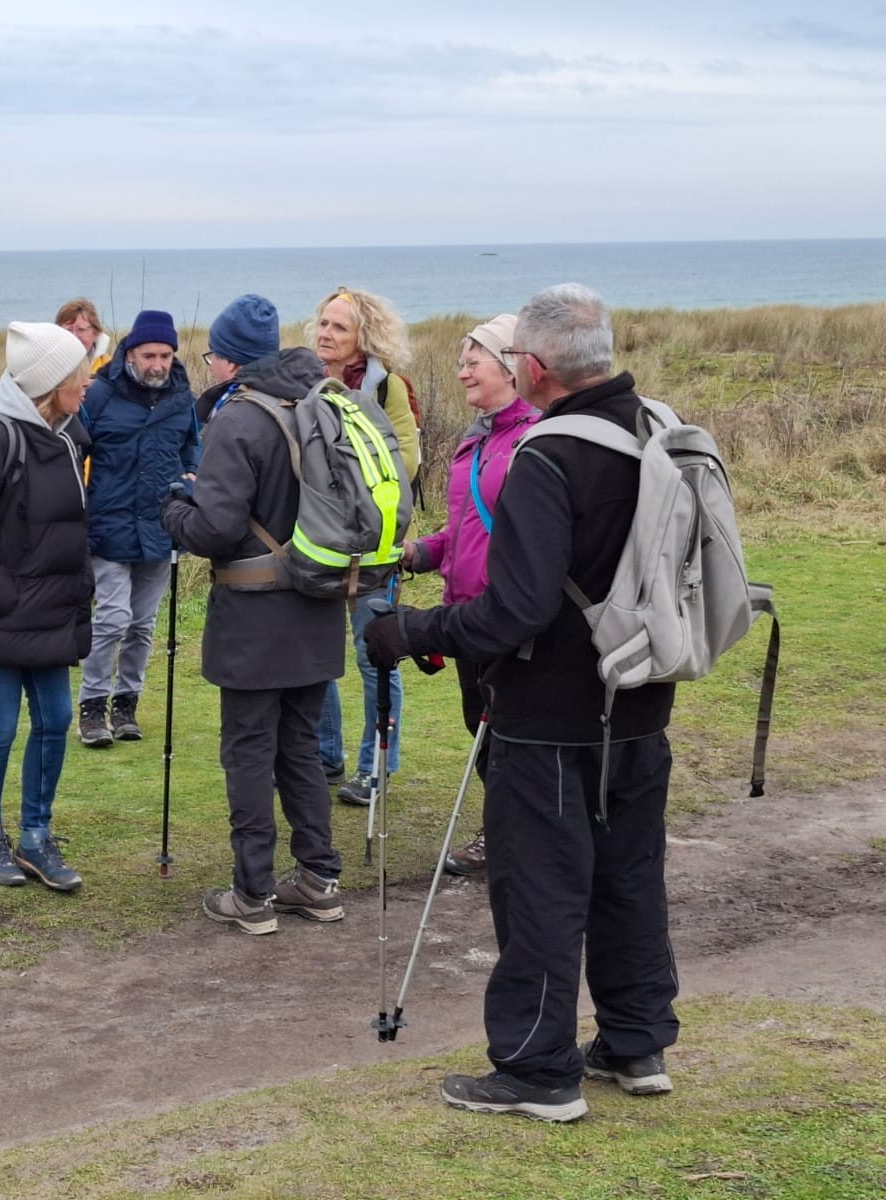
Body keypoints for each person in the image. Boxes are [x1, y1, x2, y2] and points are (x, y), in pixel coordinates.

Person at [366, 283, 678, 1123]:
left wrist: (409, 630)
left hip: (550, 711)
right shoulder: (656, 426)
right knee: (628, 875)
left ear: (533, 369)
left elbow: (517, 608)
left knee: (540, 884)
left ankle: (540, 1071)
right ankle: (635, 1042)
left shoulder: (547, 454)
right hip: (643, 695)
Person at [161, 294, 345, 934]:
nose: (208, 364)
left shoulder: (238, 420)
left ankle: (253, 894)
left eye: (211, 353)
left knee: (247, 751)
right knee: (300, 746)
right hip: (319, 602)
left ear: (230, 358)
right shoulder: (321, 399)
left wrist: (173, 512)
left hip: (254, 613)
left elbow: (215, 529)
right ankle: (319, 880)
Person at [0, 322, 93, 891]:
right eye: (80, 374)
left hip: (48, 612)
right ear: (53, 383)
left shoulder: (67, 435)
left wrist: (77, 591)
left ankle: (36, 835)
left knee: (55, 719)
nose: (87, 384)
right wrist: (3, 595)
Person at [402, 314, 537, 877]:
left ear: (510, 364)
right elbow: (465, 528)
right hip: (465, 615)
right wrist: (420, 553)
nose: (461, 373)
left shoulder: (535, 435)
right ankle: (508, 834)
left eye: (472, 361)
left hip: (505, 614)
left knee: (508, 735)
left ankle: (508, 839)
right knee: (480, 727)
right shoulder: (476, 436)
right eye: (460, 362)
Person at [310, 288, 421, 805]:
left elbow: (408, 466)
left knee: (374, 652)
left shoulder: (387, 388)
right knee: (317, 653)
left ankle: (376, 767)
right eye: (324, 323)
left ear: (365, 337)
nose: (326, 334)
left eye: (339, 327)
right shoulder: (309, 383)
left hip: (376, 548)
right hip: (322, 544)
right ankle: (324, 755)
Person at [76, 309, 201, 747]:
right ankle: (92, 707)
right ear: (131, 353)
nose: (158, 364)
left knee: (142, 625)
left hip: (162, 526)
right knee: (111, 618)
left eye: (166, 355)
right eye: (150, 354)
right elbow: (73, 445)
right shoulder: (100, 394)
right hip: (108, 525)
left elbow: (192, 448)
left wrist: (191, 477)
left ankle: (126, 703)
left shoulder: (182, 398)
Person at [55, 297, 112, 373]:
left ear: (95, 333)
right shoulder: (48, 366)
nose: (74, 336)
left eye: (81, 329)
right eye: (68, 330)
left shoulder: (109, 369)